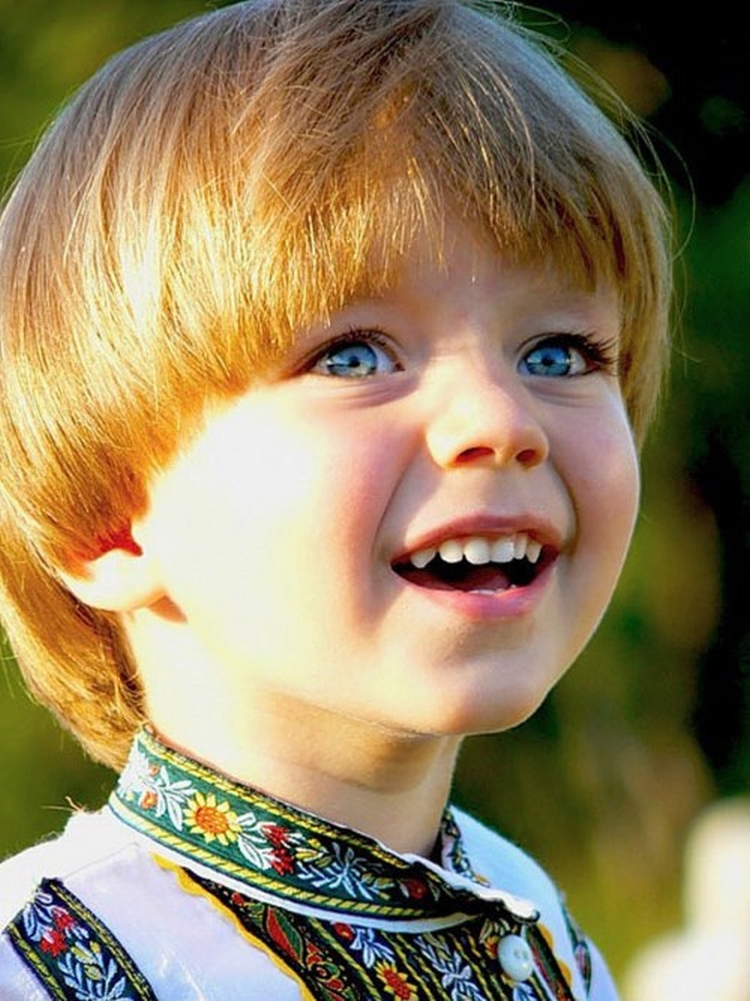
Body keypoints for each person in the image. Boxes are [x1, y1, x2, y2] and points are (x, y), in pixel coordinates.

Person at [0, 0, 671, 997]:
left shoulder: (548, 943)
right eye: (352, 355)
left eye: (558, 352)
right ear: (110, 518)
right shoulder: (44, 963)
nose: (500, 416)